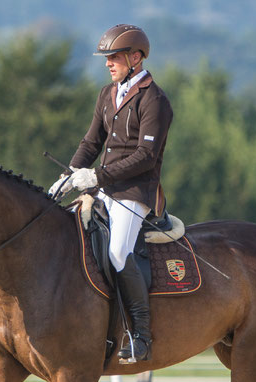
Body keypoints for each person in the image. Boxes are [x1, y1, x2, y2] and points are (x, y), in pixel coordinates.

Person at [50, 24, 173, 363]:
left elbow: (145, 157)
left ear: (136, 58)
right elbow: (91, 142)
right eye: (107, 58)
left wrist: (96, 176)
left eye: (115, 57)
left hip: (135, 191)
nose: (108, 63)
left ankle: (140, 335)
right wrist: (69, 175)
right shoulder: (108, 94)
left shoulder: (154, 100)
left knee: (119, 253)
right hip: (102, 188)